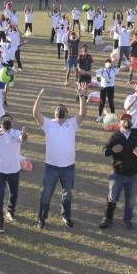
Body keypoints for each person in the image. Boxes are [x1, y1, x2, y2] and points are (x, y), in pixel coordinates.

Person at [33, 87, 87, 229]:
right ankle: (42, 218)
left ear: (66, 113)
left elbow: (82, 113)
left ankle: (66, 216)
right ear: (54, 113)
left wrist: (82, 96)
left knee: (67, 195)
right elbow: (35, 113)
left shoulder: (71, 124)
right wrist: (39, 96)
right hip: (51, 167)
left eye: (62, 108)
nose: (59, 109)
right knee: (46, 194)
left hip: (68, 167)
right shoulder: (48, 124)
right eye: (57, 108)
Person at [98, 112, 137, 230]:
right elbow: (104, 151)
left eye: (129, 119)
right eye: (124, 119)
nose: (126, 121)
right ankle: (107, 219)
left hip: (133, 176)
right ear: (120, 122)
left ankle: (127, 220)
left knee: (131, 201)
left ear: (131, 122)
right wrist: (112, 150)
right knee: (112, 198)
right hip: (117, 175)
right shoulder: (115, 136)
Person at [0, 114, 26, 233]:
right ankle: (0, 220)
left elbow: (22, 138)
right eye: (4, 121)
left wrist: (24, 136)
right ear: (0, 123)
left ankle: (10, 210)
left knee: (14, 193)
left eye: (9, 120)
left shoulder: (17, 133)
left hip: (14, 170)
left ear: (12, 123)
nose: (7, 122)